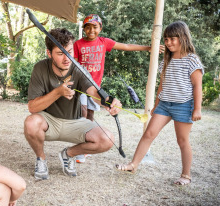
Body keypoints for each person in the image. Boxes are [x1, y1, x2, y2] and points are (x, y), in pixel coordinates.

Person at [24, 28, 122, 180]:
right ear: (49, 53)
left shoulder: (78, 69)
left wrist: (109, 101)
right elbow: (32, 107)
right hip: (49, 121)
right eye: (60, 53)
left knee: (107, 139)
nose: (67, 58)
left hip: (75, 122)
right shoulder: (40, 68)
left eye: (69, 51)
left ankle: (68, 154)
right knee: (31, 123)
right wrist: (58, 92)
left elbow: (94, 92)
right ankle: (41, 159)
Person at [116, 21, 204, 186]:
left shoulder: (192, 60)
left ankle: (186, 175)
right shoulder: (166, 61)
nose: (169, 43)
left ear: (183, 38)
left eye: (173, 39)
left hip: (183, 105)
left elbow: (197, 86)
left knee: (182, 140)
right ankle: (133, 165)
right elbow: (162, 84)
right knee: (148, 134)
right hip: (164, 104)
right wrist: (156, 104)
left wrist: (197, 109)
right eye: (166, 39)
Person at [74, 14, 164, 163]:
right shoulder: (78, 44)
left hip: (95, 88)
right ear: (84, 29)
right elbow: (73, 64)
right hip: (81, 86)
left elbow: (127, 46)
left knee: (90, 115)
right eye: (87, 27)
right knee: (82, 114)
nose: (91, 30)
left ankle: (85, 148)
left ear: (100, 28)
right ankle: (78, 150)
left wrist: (149, 48)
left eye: (95, 27)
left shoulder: (104, 42)